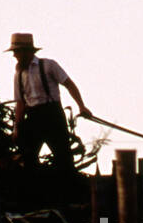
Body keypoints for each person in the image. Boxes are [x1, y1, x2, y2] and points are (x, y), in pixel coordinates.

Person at [7, 33, 91, 174]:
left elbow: (69, 84)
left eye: (16, 51)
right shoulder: (18, 74)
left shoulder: (48, 65)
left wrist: (81, 106)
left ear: (26, 51)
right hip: (33, 117)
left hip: (53, 115)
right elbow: (20, 103)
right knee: (28, 158)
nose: (14, 55)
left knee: (64, 159)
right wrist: (17, 128)